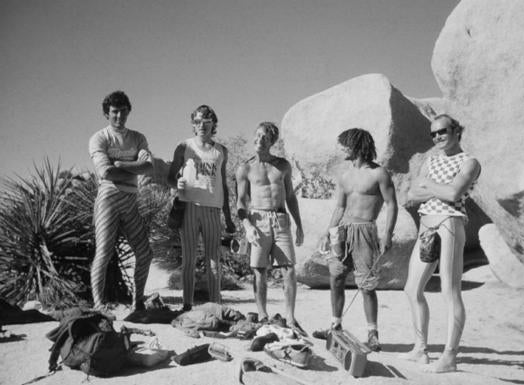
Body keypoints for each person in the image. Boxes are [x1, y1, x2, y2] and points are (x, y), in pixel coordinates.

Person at [401, 114, 481, 372]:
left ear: (456, 130)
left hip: (450, 223)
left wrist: (429, 185)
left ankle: (449, 356)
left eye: (442, 131)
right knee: (412, 289)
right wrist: (438, 188)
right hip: (427, 224)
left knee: (450, 290)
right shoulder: (430, 160)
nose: (437, 137)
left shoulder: (469, 162)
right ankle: (420, 349)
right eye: (433, 133)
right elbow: (413, 193)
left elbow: (454, 193)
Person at [313, 128, 398, 352]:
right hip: (342, 231)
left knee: (367, 285)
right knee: (336, 277)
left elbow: (391, 204)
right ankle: (335, 326)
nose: (340, 149)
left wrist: (387, 233)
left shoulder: (379, 173)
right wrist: (327, 232)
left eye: (344, 145)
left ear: (355, 145)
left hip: (365, 230)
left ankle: (373, 334)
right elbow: (340, 207)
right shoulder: (344, 175)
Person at [235, 121, 306, 335]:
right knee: (259, 271)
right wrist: (247, 225)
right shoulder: (245, 168)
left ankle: (291, 318)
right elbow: (240, 202)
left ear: (271, 141)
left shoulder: (282, 166)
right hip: (258, 221)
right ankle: (263, 315)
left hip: (281, 219)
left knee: (289, 269)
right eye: (256, 136)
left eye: (264, 137)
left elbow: (291, 196)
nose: (259, 140)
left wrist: (299, 225)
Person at [88, 90, 154, 313]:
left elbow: (149, 167)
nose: (119, 116)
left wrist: (119, 165)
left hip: (130, 199)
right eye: (114, 112)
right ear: (107, 113)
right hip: (108, 198)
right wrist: (132, 169)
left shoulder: (138, 137)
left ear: (128, 112)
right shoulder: (99, 137)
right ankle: (99, 306)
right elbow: (106, 173)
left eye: (123, 112)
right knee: (104, 252)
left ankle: (138, 304)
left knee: (145, 253)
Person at [167, 105, 236, 310]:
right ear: (193, 124)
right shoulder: (184, 147)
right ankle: (187, 305)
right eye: (197, 122)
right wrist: (176, 183)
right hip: (188, 207)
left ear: (213, 123)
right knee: (189, 260)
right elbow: (170, 177)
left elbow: (223, 184)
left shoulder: (220, 151)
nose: (201, 126)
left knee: (213, 259)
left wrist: (228, 217)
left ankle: (215, 305)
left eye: (206, 122)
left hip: (213, 209)